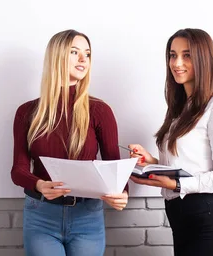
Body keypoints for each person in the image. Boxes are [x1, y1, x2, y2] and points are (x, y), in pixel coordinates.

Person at [11, 29, 129, 256]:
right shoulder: (27, 112)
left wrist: (122, 193)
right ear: (57, 56)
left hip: (88, 216)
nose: (83, 59)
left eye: (87, 53)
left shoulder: (99, 111)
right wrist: (39, 185)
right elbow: (18, 170)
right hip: (41, 215)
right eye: (74, 52)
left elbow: (114, 165)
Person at [128, 28, 213, 256]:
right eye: (172, 55)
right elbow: (188, 165)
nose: (177, 63)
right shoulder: (179, 109)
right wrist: (151, 161)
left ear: (203, 59)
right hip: (181, 222)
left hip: (209, 223)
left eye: (187, 55)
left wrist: (176, 185)